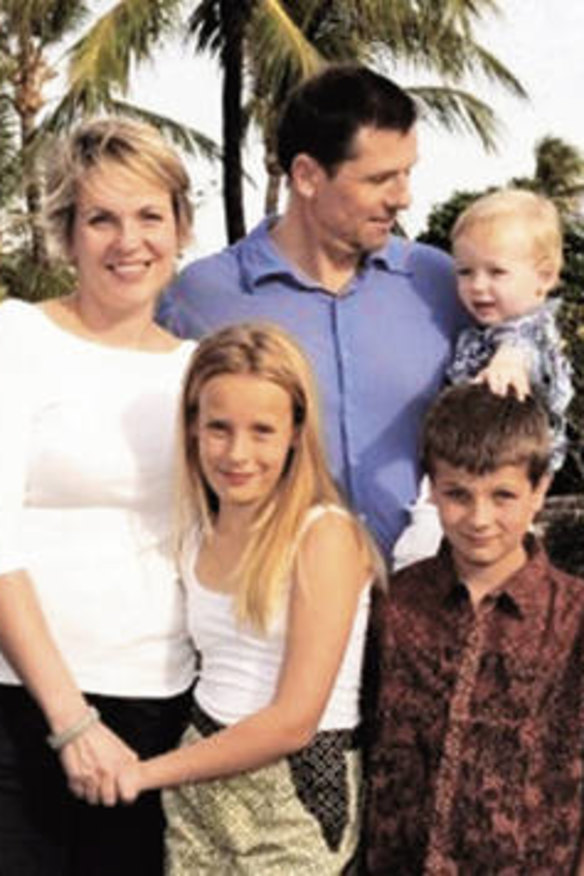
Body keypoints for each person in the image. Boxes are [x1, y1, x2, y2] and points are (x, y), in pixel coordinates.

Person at [157, 63, 465, 560]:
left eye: (408, 173)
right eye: (381, 178)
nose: (403, 197)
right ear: (306, 176)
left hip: (422, 608)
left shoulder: (440, 283)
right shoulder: (202, 297)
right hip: (268, 611)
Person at [0, 117, 197, 875]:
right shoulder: (18, 339)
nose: (129, 241)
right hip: (23, 706)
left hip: (161, 709)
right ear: (67, 233)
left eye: (150, 215)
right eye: (101, 218)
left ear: (180, 228)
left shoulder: (201, 368)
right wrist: (70, 720)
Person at [114, 323, 384, 874]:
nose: (238, 453)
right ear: (192, 427)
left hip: (295, 795)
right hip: (199, 786)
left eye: (262, 430)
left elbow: (293, 720)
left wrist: (144, 773)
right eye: (218, 427)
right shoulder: (195, 534)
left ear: (295, 432)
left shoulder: (323, 535)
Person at [364, 383, 584, 874]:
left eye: (502, 495)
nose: (479, 518)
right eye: (458, 495)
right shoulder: (395, 603)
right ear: (431, 488)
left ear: (540, 489)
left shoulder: (574, 616)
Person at [392, 188, 573, 569]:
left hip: (509, 484)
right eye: (465, 272)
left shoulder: (532, 332)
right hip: (474, 472)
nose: (477, 285)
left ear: (544, 278)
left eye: (497, 272)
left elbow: (523, 347)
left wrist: (509, 362)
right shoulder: (477, 333)